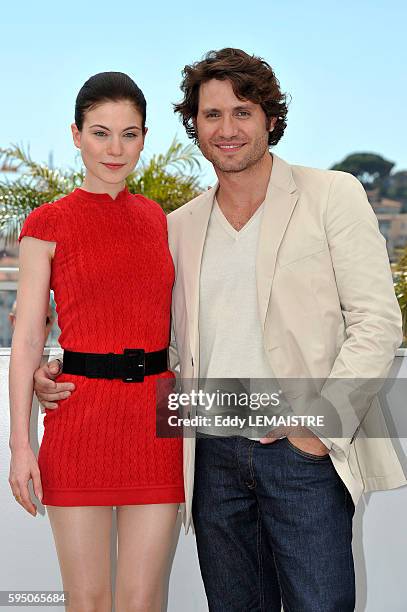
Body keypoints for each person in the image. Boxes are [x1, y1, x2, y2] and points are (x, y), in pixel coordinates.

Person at [33, 49, 407, 611]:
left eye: (242, 112)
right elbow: (164, 338)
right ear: (194, 126)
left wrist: (313, 430)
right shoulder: (178, 224)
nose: (227, 129)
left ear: (270, 119)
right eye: (212, 115)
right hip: (210, 457)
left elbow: (377, 324)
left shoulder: (332, 194)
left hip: (304, 452)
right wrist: (63, 362)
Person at [8, 71, 184, 612]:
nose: (115, 148)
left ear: (145, 138)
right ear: (76, 134)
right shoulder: (47, 223)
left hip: (157, 425)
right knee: (87, 601)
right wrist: (21, 443)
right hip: (80, 423)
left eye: (129, 134)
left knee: (142, 601)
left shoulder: (158, 219)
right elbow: (29, 334)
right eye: (101, 132)